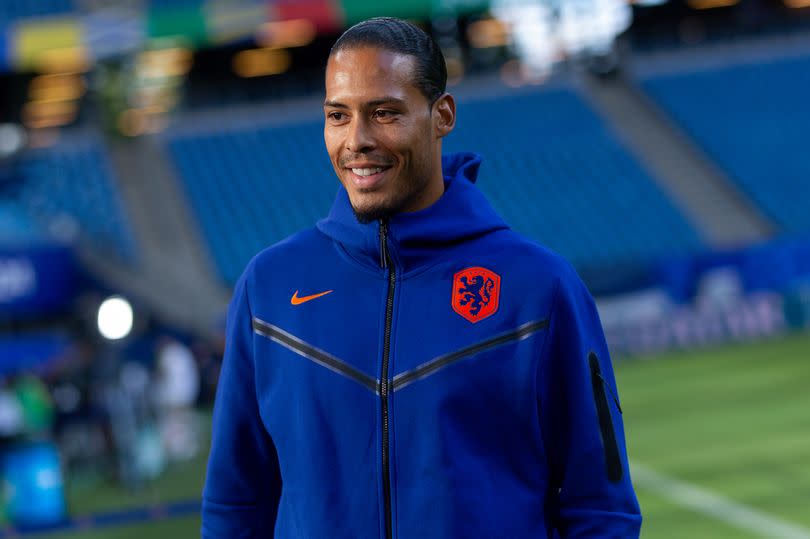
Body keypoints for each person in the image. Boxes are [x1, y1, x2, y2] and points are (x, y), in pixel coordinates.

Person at [202, 17, 641, 538]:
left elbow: (603, 509)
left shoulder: (539, 287)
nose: (357, 140)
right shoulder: (268, 289)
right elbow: (235, 504)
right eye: (338, 116)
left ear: (442, 115)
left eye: (384, 113)